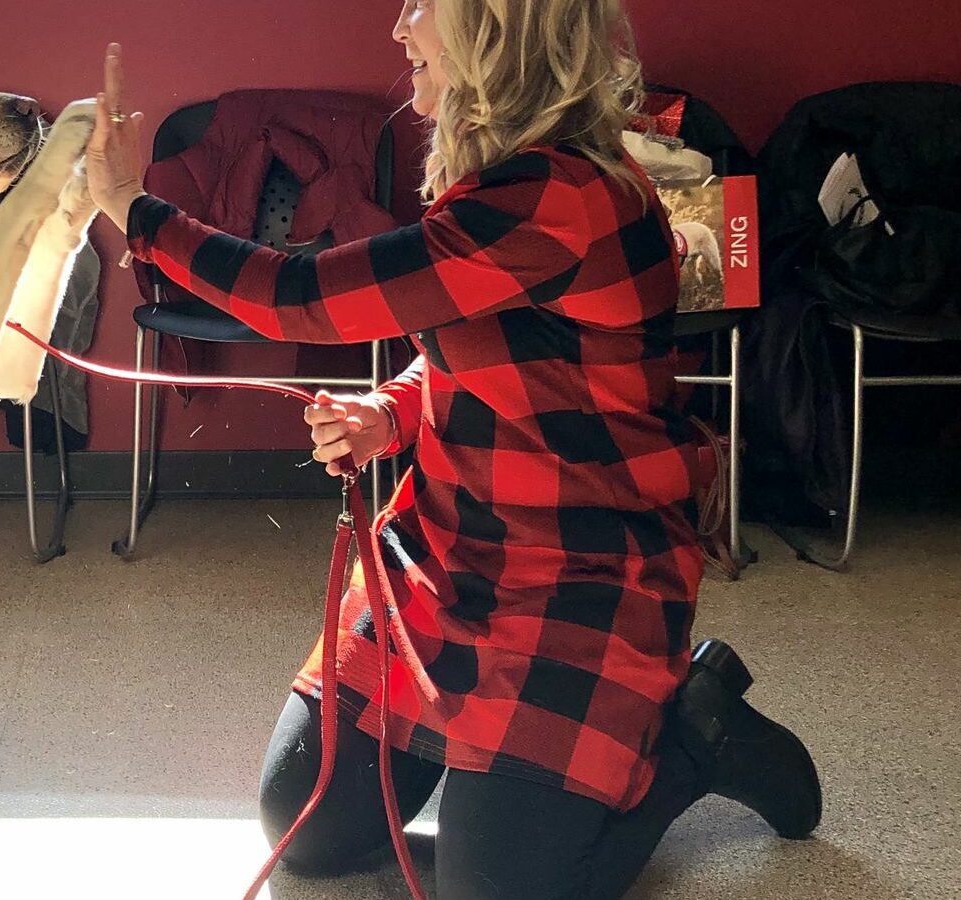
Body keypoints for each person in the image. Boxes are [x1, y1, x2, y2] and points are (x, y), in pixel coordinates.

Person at [82, 1, 821, 897]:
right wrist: (387, 416)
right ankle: (515, 788)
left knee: (496, 891)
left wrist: (131, 206)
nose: (399, 31)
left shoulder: (560, 196)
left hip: (582, 574)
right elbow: (493, 359)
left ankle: (697, 734)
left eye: (422, 7)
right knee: (305, 828)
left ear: (499, 31)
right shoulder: (505, 181)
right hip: (448, 551)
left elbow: (301, 298)